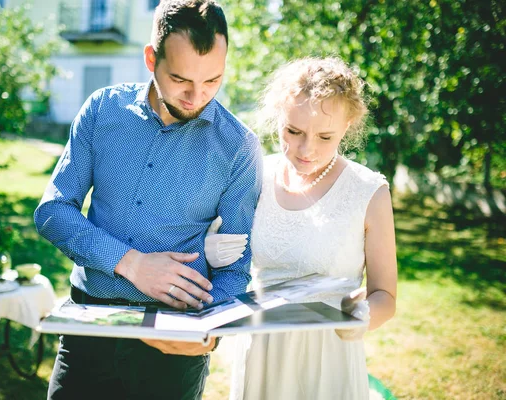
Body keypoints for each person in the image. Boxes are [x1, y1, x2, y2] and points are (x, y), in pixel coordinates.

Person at [34, 1, 263, 399]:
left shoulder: (239, 147)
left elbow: (236, 267)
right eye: (180, 79)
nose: (197, 95)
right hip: (90, 328)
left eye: (213, 80)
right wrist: (131, 263)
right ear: (150, 58)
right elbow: (53, 212)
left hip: (176, 342)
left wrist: (207, 334)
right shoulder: (101, 110)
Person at [205, 56, 398, 399]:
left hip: (328, 356)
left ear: (348, 124)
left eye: (325, 136)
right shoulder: (254, 175)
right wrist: (210, 249)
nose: (306, 150)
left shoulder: (369, 192)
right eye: (293, 132)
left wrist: (362, 317)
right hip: (261, 350)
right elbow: (223, 254)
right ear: (278, 116)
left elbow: (386, 295)